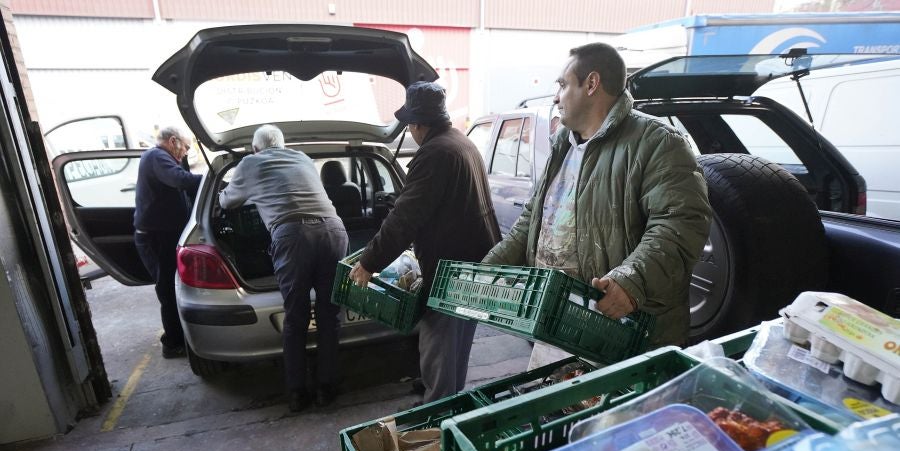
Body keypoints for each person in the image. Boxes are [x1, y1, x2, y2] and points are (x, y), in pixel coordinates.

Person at [483, 43, 712, 369]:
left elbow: (680, 224)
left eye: (562, 85)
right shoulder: (562, 143)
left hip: (623, 330)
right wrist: (489, 269)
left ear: (591, 84)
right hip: (558, 322)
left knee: (612, 404)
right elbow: (534, 218)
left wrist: (632, 281)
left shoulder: (657, 142)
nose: (556, 97)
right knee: (554, 400)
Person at [349, 81, 501, 404]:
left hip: (450, 274)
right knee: (456, 350)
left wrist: (368, 262)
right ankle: (449, 408)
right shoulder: (462, 142)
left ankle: (437, 422)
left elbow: (404, 217)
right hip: (475, 266)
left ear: (418, 124)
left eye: (409, 124)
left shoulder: (434, 153)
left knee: (439, 352)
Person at [218, 124, 348, 412]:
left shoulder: (251, 162)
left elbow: (227, 201)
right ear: (283, 144)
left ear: (255, 148)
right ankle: (327, 388)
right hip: (334, 231)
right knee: (329, 314)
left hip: (293, 236)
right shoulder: (302, 158)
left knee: (296, 316)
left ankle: (298, 393)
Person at [134, 126, 202, 359]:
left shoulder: (164, 159)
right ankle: (172, 343)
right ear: (173, 141)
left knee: (174, 287)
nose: (186, 152)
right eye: (186, 147)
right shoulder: (156, 156)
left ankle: (181, 336)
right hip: (156, 238)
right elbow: (180, 180)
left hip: (165, 234)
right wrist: (210, 180)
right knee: (168, 289)